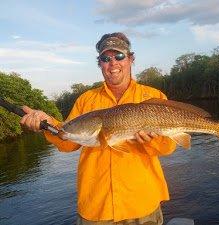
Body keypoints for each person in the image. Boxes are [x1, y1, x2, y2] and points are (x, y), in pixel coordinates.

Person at [20, 32, 177, 225]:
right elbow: (67, 141)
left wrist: (153, 140)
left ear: (131, 59)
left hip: (142, 204)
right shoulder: (86, 100)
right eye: (105, 58)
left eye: (119, 56)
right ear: (100, 63)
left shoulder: (153, 97)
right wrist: (45, 124)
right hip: (96, 207)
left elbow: (168, 147)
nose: (113, 63)